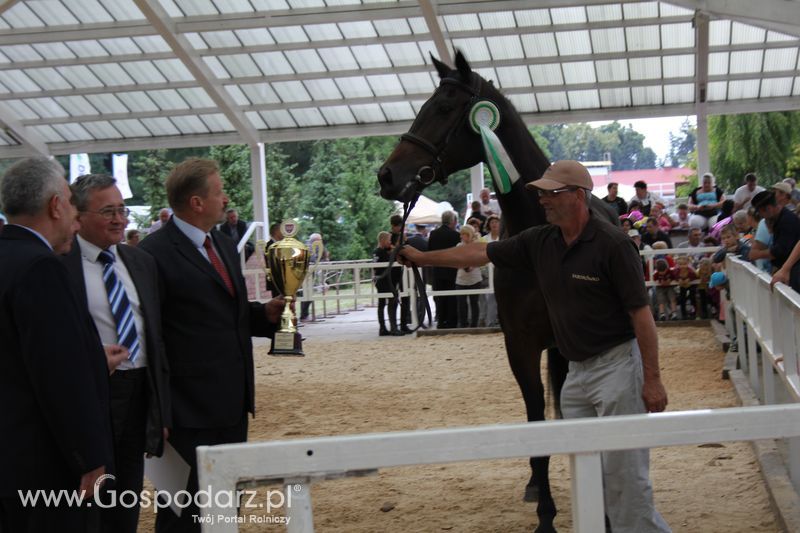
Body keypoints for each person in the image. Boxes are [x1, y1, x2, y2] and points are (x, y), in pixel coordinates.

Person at [400, 160, 670, 533]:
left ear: (578, 196)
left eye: (551, 193)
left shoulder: (613, 244)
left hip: (618, 369)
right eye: (541, 193)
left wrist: (652, 378)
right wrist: (423, 258)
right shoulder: (541, 240)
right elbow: (479, 253)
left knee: (627, 479)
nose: (542, 200)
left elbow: (642, 316)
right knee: (586, 474)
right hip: (577, 375)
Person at [138, 158, 285, 532]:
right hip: (184, 411)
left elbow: (227, 312)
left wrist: (263, 316)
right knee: (181, 513)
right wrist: (159, 411)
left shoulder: (222, 243)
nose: (226, 198)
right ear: (196, 202)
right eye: (219, 192)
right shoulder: (153, 253)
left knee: (225, 507)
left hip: (232, 404)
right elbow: (152, 336)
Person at [0, 158, 116, 532]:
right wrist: (89, 458)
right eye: (69, 202)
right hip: (44, 467)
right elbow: (58, 374)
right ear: (55, 206)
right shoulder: (40, 267)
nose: (75, 219)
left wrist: (90, 358)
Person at [63, 174, 171, 533]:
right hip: (92, 392)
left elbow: (155, 337)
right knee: (90, 498)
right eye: (108, 211)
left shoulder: (140, 261)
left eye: (123, 210)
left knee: (127, 491)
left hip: (139, 391)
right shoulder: (59, 265)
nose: (120, 220)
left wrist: (160, 407)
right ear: (78, 216)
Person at [752, 190, 800, 293]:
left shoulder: (787, 221)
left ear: (768, 209)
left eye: (761, 213)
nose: (762, 218)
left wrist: (758, 254)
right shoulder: (779, 220)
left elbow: (780, 251)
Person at [427, 210, 460, 329]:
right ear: (452, 221)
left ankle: (441, 321)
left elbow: (429, 251)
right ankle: (451, 321)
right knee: (451, 297)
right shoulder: (455, 235)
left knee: (439, 297)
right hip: (452, 270)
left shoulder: (433, 234)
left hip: (437, 270)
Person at [373, 231, 401, 336]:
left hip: (386, 281)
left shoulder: (381, 251)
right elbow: (379, 266)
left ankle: (384, 328)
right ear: (382, 240)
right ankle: (392, 328)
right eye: (388, 240)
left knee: (384, 303)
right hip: (384, 281)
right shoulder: (379, 252)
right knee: (391, 302)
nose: (390, 242)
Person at [455, 225, 481, 328]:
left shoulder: (477, 245)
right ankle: (463, 325)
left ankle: (474, 325)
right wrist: (465, 266)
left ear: (468, 234)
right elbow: (456, 260)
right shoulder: (458, 246)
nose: (461, 236)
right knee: (461, 304)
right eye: (461, 234)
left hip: (475, 278)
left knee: (474, 303)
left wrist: (472, 266)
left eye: (463, 234)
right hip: (461, 279)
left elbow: (479, 259)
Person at [265, 222, 283, 296]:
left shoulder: (282, 244)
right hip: (275, 279)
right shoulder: (269, 246)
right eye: (281, 230)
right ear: (276, 231)